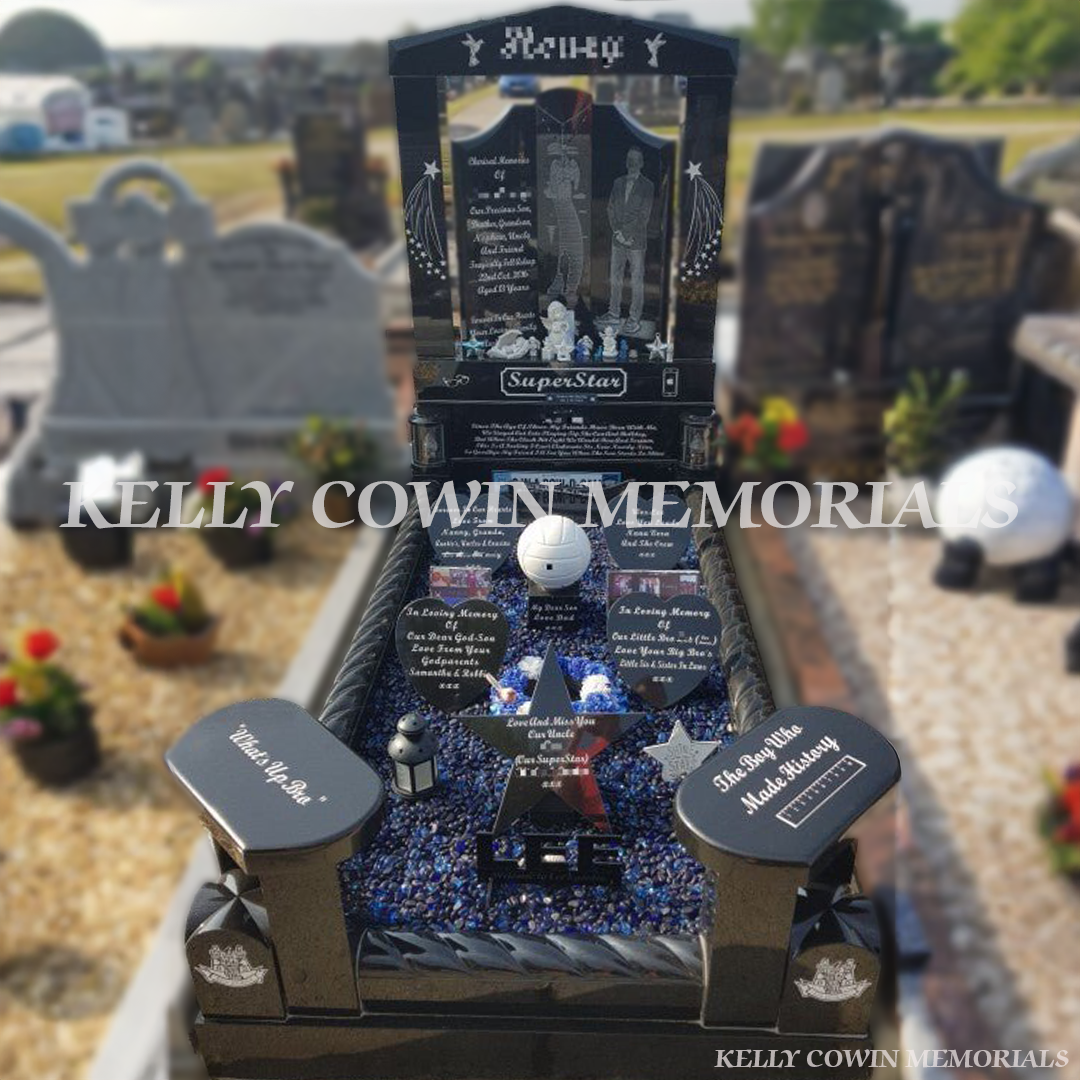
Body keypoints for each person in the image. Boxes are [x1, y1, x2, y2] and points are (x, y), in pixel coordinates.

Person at [606, 147, 653, 334]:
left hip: (636, 241)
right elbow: (610, 207)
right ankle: (613, 314)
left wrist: (626, 234)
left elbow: (644, 215)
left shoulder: (648, 185)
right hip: (617, 240)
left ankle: (634, 319)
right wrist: (618, 232)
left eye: (635, 159)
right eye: (629, 159)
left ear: (641, 163)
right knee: (615, 278)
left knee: (636, 280)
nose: (631, 163)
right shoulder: (617, 182)